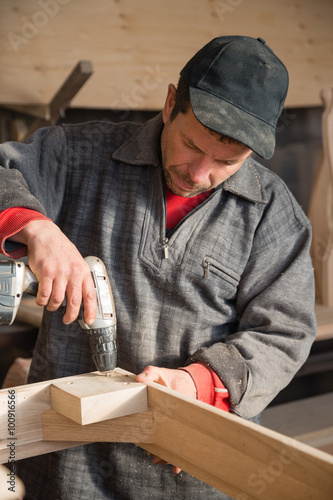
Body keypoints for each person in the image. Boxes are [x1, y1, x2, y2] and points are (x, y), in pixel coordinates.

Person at [0, 35, 316, 499]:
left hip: (183, 468)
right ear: (171, 103)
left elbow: (285, 334)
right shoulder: (78, 154)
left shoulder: (273, 216)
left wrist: (197, 382)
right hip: (67, 458)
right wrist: (35, 227)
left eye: (227, 162)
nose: (200, 173)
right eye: (191, 144)